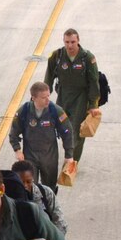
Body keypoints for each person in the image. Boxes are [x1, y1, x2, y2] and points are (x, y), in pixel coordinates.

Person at [44, 29, 101, 162]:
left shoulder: (87, 58)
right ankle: (61, 155)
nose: (70, 45)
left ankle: (73, 162)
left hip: (80, 98)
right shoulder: (57, 56)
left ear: (78, 41)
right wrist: (43, 97)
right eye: (67, 42)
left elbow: (94, 81)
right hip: (63, 96)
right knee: (57, 127)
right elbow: (49, 78)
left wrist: (93, 105)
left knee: (77, 131)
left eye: (73, 42)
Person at [8, 81, 74, 192]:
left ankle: (49, 208)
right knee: (29, 187)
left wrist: (69, 155)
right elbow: (13, 132)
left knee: (49, 188)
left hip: (49, 156)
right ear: (34, 98)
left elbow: (67, 132)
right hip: (30, 155)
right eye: (44, 97)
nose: (48, 99)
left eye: (48, 95)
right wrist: (17, 150)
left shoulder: (56, 111)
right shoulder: (24, 111)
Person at [11, 159, 68, 233]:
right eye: (21, 182)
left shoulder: (45, 192)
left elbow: (59, 221)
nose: (25, 185)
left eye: (28, 181)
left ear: (33, 179)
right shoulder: (9, 198)